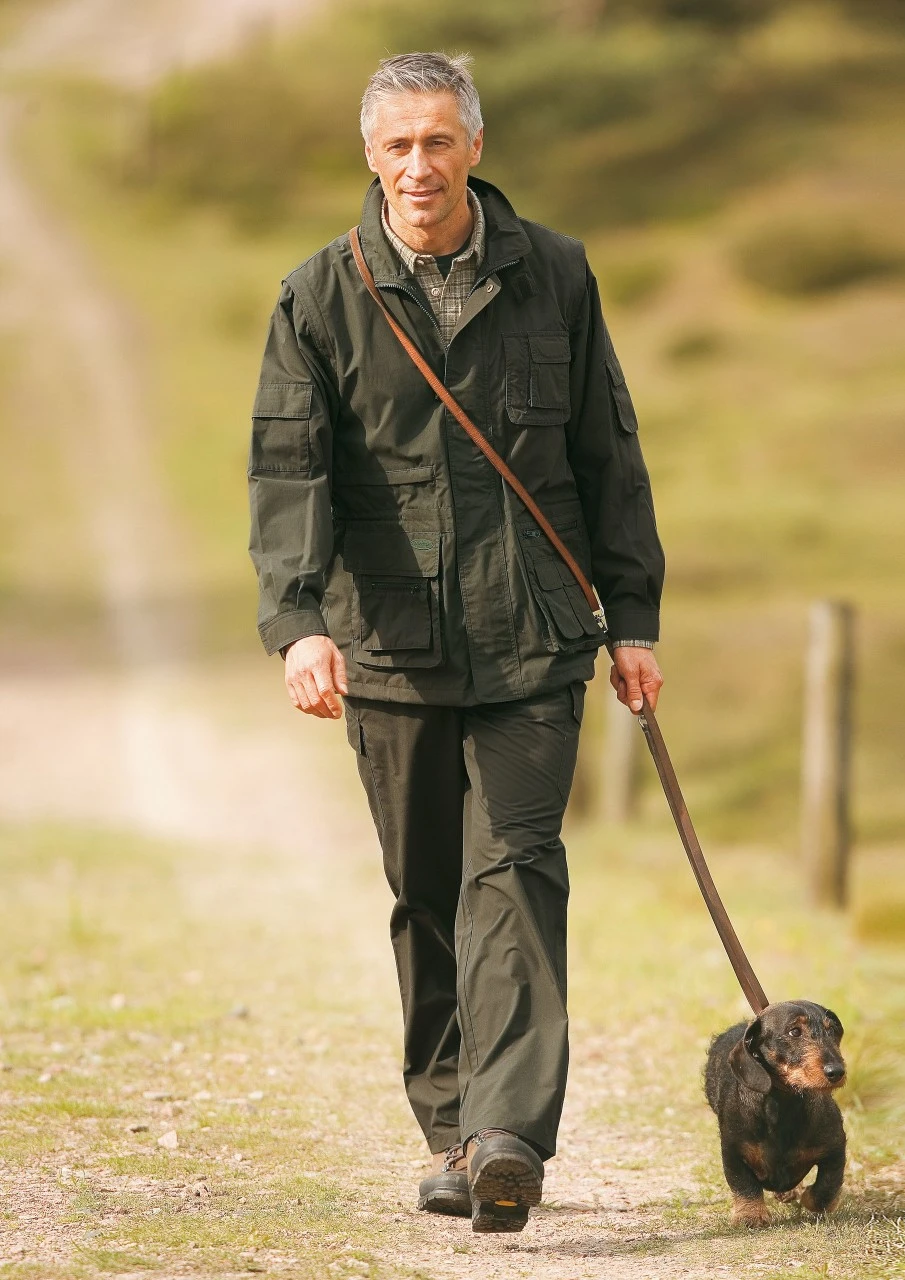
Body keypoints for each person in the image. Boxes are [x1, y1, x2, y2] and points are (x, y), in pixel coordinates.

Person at [247, 50, 664, 1233]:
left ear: (474, 146)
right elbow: (290, 471)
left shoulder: (558, 276)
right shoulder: (317, 296)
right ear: (369, 156)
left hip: (535, 632)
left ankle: (508, 1137)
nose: (417, 166)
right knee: (427, 887)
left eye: (438, 141)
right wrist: (297, 625)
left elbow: (607, 456)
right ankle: (449, 1124)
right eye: (396, 146)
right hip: (391, 640)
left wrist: (630, 617)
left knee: (517, 873)